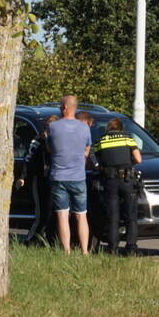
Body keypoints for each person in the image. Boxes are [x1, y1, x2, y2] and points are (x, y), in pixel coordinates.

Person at [47, 95, 92, 253]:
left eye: (60, 105)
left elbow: (50, 148)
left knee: (62, 216)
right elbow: (87, 150)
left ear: (65, 107)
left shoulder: (53, 127)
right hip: (78, 177)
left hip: (59, 176)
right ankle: (85, 251)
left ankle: (66, 250)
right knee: (81, 215)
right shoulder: (84, 127)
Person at [93, 117, 142, 255]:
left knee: (112, 215)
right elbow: (138, 159)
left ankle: (112, 248)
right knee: (130, 215)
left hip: (110, 181)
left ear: (108, 128)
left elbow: (95, 161)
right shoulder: (128, 139)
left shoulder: (101, 141)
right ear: (121, 128)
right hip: (127, 180)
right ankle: (131, 248)